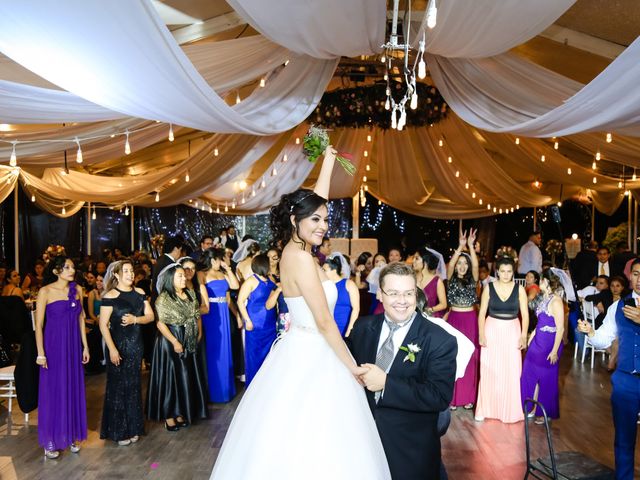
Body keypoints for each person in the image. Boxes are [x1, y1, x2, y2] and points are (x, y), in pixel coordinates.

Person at [209, 147, 391, 479]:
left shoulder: (297, 247)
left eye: (325, 219)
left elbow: (313, 203)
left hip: (304, 347)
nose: (323, 226)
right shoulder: (302, 258)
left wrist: (329, 161)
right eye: (316, 220)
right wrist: (353, 368)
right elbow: (324, 321)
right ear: (296, 221)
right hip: (315, 349)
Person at [348, 262, 457, 479]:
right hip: (362, 445)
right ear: (380, 294)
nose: (402, 301)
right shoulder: (362, 328)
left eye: (408, 293)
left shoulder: (439, 340)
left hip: (410, 452)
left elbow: (438, 396)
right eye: (394, 293)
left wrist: (387, 383)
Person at [578, 257, 640, 480]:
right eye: (635, 274)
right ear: (629, 277)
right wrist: (591, 333)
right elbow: (604, 338)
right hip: (625, 380)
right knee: (623, 439)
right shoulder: (618, 306)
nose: (639, 279)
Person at [35, 256, 90, 459]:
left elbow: (82, 319)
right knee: (53, 391)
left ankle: (70, 436)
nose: (72, 270)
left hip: (73, 346)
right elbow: (38, 325)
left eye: (73, 267)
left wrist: (85, 346)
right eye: (67, 267)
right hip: (53, 347)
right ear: (56, 271)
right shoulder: (45, 291)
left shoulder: (78, 290)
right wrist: (41, 353)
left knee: (73, 388)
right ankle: (50, 440)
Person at [99, 260, 154, 445]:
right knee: (117, 387)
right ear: (116, 274)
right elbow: (103, 325)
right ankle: (119, 431)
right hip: (117, 346)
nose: (130, 274)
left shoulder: (140, 294)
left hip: (136, 345)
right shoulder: (110, 296)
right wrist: (112, 349)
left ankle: (134, 427)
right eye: (126, 271)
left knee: (133, 386)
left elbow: (151, 317)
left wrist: (135, 320)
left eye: (131, 271)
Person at [147, 263, 208, 430]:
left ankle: (182, 411)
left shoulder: (190, 294)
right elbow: (160, 323)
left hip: (189, 337)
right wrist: (174, 342)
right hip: (170, 340)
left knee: (185, 375)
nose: (184, 278)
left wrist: (199, 333)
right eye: (179, 276)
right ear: (170, 279)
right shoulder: (163, 298)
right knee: (171, 377)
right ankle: (169, 415)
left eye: (184, 275)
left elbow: (197, 315)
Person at [476, 256, 529, 423]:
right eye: (503, 271)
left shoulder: (519, 289)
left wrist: (523, 335)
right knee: (490, 370)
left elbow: (526, 315)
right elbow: (481, 313)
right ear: (497, 272)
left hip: (513, 329)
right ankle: (486, 409)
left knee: (512, 371)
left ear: (513, 272)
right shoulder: (488, 288)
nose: (506, 275)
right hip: (492, 329)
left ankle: (510, 411)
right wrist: (482, 334)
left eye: (509, 271)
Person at [521, 269, 565, 424]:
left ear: (546, 281)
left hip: (549, 344)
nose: (538, 283)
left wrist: (554, 351)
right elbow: (539, 323)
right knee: (528, 373)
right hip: (537, 340)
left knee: (546, 379)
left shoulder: (556, 301)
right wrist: (530, 338)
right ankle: (530, 407)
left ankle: (544, 411)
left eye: (540, 280)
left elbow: (560, 329)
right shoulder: (543, 298)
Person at [198, 248, 239, 403]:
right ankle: (214, 391)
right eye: (220, 259)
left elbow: (235, 286)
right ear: (212, 259)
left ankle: (226, 389)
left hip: (223, 313)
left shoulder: (223, 273)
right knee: (214, 351)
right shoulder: (201, 274)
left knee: (225, 348)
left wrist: (228, 268)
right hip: (211, 314)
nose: (222, 261)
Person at [446, 228, 480, 410]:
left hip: (470, 320)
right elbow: (449, 266)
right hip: (454, 319)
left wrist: (471, 247)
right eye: (459, 263)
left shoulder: (473, 279)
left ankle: (468, 397)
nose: (462, 266)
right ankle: (453, 397)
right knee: (455, 357)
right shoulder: (450, 279)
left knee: (471, 358)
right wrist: (460, 247)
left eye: (464, 263)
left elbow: (475, 265)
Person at [237, 254, 278, 385]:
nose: (271, 264)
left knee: (269, 356)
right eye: (269, 262)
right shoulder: (250, 281)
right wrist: (247, 320)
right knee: (254, 356)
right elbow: (240, 301)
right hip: (255, 323)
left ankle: (266, 385)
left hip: (270, 323)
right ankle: (253, 386)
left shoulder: (270, 279)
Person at [323, 253, 359, 336]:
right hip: (328, 328)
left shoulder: (349, 284)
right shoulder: (325, 286)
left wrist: (349, 332)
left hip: (344, 327)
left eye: (325, 270)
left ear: (334, 270)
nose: (322, 272)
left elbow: (356, 309)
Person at [413, 247, 447, 318]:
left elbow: (443, 304)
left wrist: (430, 309)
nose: (413, 261)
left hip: (431, 318)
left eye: (416, 258)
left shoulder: (436, 281)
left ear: (425, 262)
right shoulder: (411, 279)